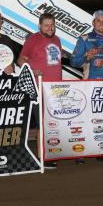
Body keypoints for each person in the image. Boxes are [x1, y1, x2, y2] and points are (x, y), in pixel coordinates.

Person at [70, 9, 103, 164]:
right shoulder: (85, 39)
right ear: (93, 23)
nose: (101, 23)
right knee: (85, 120)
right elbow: (73, 62)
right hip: (89, 85)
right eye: (98, 21)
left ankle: (102, 151)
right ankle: (80, 153)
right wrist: (86, 57)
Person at [18, 13, 62, 169]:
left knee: (52, 124)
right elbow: (20, 60)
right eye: (46, 25)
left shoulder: (57, 40)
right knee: (42, 123)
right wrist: (32, 69)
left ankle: (48, 153)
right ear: (40, 26)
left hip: (56, 90)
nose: (50, 28)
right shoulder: (33, 40)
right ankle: (40, 157)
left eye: (52, 25)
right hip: (39, 88)